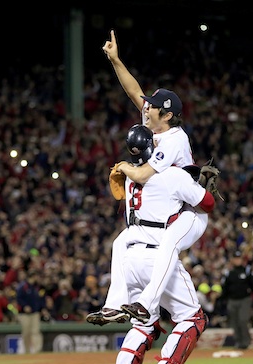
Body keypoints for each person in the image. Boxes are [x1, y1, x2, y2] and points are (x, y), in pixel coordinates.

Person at [87, 29, 209, 326]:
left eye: (153, 106)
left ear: (167, 115)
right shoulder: (156, 124)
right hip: (171, 206)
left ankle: (145, 304)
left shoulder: (173, 141)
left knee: (167, 244)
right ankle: (114, 306)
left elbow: (141, 173)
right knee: (120, 242)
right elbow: (132, 90)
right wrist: (115, 60)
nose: (147, 107)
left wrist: (122, 166)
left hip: (190, 212)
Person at [108, 125, 215, 364]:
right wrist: (198, 186)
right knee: (193, 317)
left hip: (129, 254)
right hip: (158, 254)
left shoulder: (130, 176)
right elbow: (208, 202)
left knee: (143, 323)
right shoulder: (172, 174)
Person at [221, 250, 253, 350]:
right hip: (232, 300)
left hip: (244, 300)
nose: (237, 260)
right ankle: (238, 342)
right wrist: (224, 301)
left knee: (243, 320)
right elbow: (225, 288)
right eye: (236, 258)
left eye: (239, 258)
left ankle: (246, 342)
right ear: (232, 260)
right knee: (234, 322)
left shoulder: (247, 271)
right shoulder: (229, 273)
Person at [16, 273, 45, 354]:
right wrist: (24, 306)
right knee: (26, 333)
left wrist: (42, 308)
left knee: (36, 331)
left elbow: (40, 299)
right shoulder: (23, 287)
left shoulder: (37, 287)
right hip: (24, 314)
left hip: (35, 313)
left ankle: (37, 350)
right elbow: (18, 298)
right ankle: (27, 351)